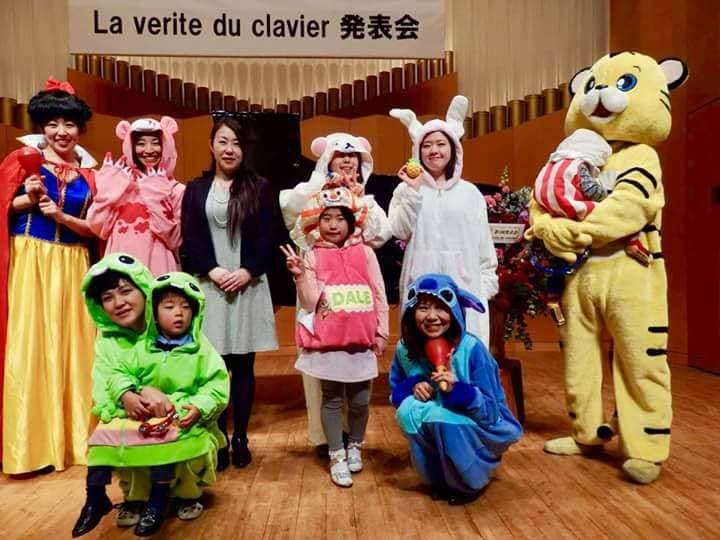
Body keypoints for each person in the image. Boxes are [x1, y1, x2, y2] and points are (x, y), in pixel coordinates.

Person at [0, 77, 97, 473]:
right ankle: (32, 447)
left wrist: (62, 215)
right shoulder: (20, 162)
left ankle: (78, 440)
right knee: (32, 345)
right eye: (53, 123)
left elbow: (96, 227)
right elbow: (4, 208)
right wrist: (29, 197)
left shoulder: (90, 173)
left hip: (74, 262)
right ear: (42, 126)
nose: (61, 131)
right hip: (31, 260)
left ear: (79, 128)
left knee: (77, 347)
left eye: (69, 124)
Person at [89, 272, 228, 536]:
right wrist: (128, 393)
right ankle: (127, 497)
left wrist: (199, 406)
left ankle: (184, 495)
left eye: (186, 307)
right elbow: (119, 374)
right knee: (118, 439)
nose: (179, 313)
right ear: (154, 311)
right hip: (146, 418)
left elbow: (216, 385)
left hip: (181, 416)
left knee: (179, 442)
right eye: (169, 306)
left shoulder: (202, 349)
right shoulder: (143, 346)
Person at [279, 132, 391, 451]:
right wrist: (324, 187)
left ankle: (351, 438)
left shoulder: (366, 200)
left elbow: (381, 235)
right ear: (327, 159)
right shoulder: (311, 191)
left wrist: (358, 201)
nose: (347, 160)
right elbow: (290, 210)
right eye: (340, 155)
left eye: (353, 155)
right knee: (322, 372)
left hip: (356, 287)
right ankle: (326, 438)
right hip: (318, 278)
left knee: (357, 385)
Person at [181, 115, 278, 470]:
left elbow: (269, 235)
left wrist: (247, 270)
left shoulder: (260, 187)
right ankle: (219, 436)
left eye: (236, 143)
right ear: (211, 146)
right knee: (215, 365)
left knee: (243, 364)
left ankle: (241, 437)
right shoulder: (195, 189)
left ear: (244, 150)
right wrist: (213, 269)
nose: (229, 149)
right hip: (211, 283)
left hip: (247, 283)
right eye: (223, 141)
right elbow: (190, 235)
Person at [389, 273, 522, 505]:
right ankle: (436, 479)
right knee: (407, 411)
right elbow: (395, 391)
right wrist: (413, 385)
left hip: (477, 425)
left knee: (440, 417)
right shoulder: (405, 348)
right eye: (423, 308)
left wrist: (457, 390)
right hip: (433, 417)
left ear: (455, 311)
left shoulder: (472, 349)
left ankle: (469, 481)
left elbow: (491, 412)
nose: (432, 316)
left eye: (441, 308)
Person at [388, 96, 498, 346]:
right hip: (421, 286)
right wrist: (413, 191)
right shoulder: (405, 189)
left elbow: (483, 243)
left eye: (440, 144)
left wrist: (485, 285)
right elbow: (399, 230)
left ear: (453, 149)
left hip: (464, 287)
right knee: (420, 354)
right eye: (426, 145)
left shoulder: (470, 193)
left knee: (464, 355)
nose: (434, 151)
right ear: (418, 151)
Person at [87, 116, 185, 275]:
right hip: (120, 268)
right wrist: (106, 194)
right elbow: (98, 228)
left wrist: (156, 196)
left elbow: (174, 240)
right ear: (130, 147)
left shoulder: (176, 190)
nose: (149, 150)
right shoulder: (121, 185)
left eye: (156, 143)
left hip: (157, 268)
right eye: (140, 143)